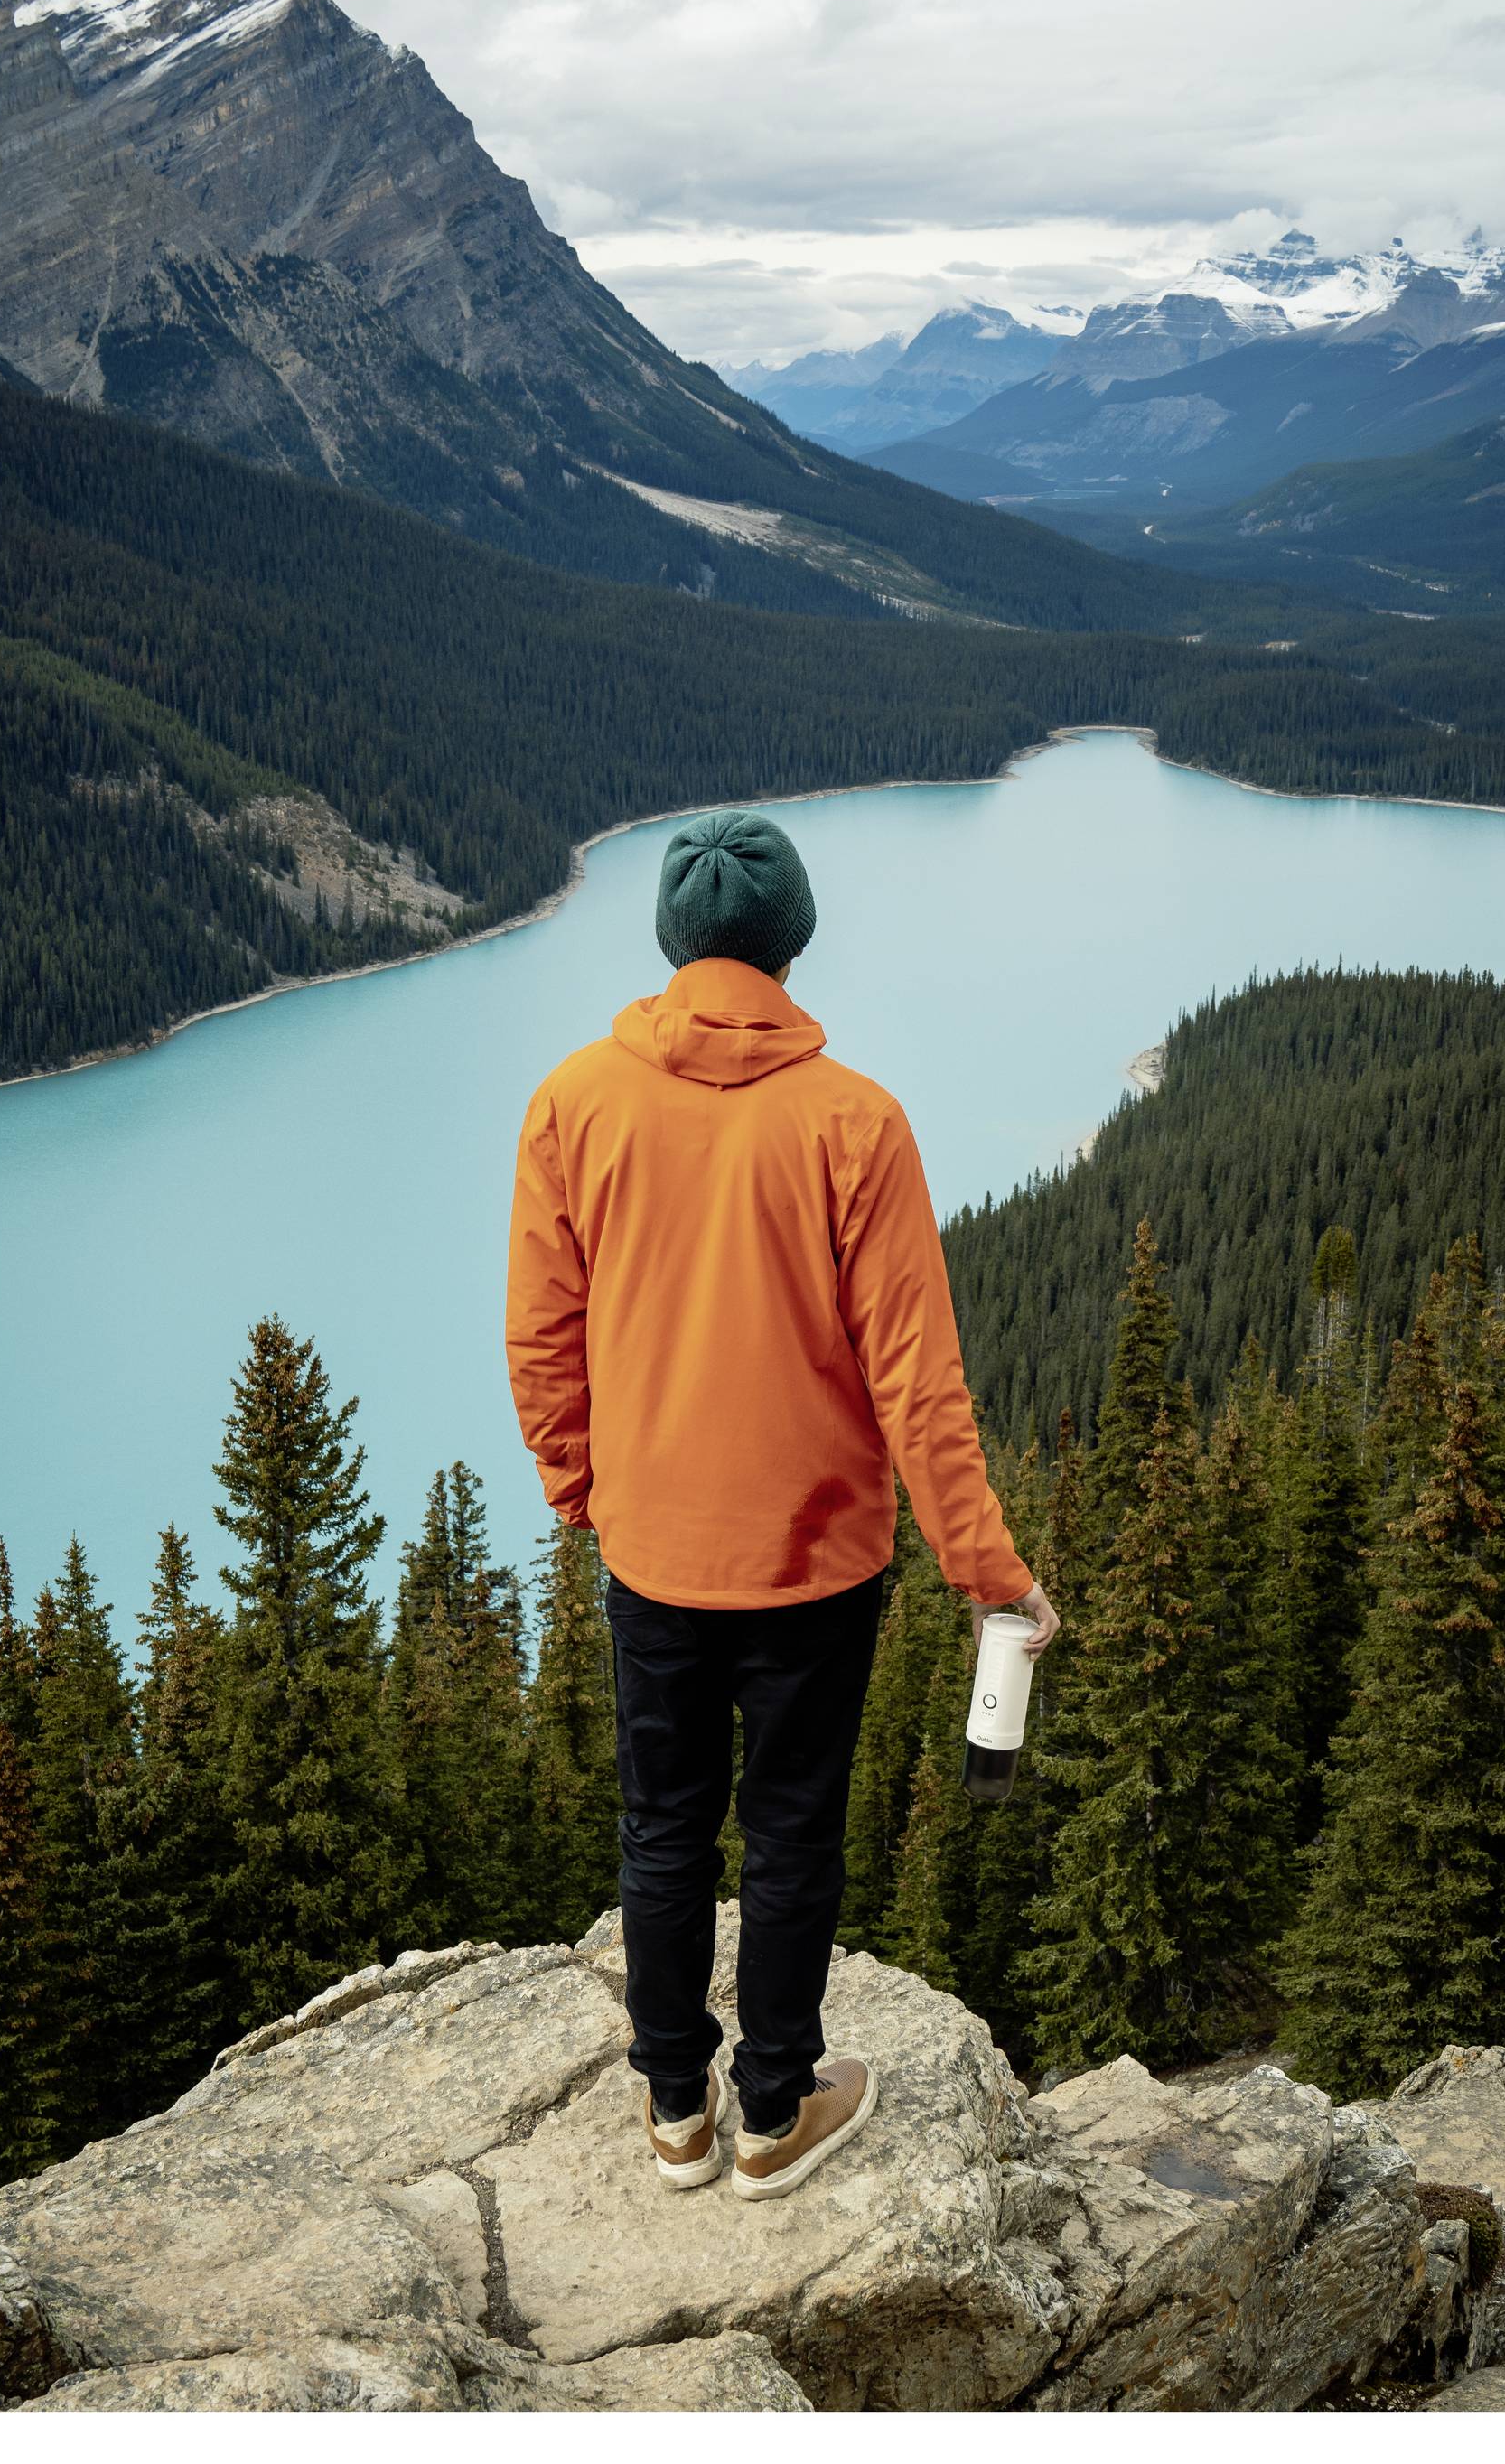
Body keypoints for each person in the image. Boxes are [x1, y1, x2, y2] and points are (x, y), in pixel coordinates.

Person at [506, 808, 1058, 2202]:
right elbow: (918, 1381)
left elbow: (541, 1333)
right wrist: (989, 1571)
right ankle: (774, 2113)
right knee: (796, 1825)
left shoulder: (576, 1100)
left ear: (675, 945)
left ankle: (674, 2109)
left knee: (663, 1826)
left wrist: (586, 1490)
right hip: (815, 1565)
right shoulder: (856, 1122)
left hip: (654, 1556)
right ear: (791, 944)